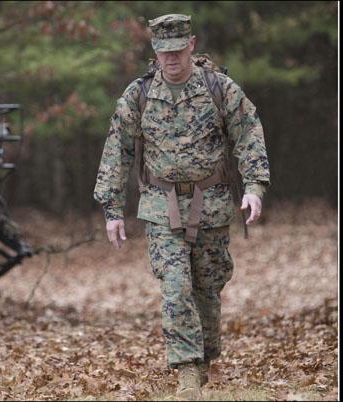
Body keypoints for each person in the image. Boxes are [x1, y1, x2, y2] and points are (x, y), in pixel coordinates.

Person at [93, 13, 270, 400]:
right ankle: (187, 369)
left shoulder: (219, 89)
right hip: (160, 205)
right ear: (154, 51)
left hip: (212, 203)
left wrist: (254, 187)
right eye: (162, 51)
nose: (170, 58)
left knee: (208, 288)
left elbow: (248, 135)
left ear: (190, 45)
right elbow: (116, 152)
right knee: (175, 288)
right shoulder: (138, 96)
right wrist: (112, 209)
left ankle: (206, 358)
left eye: (177, 49)